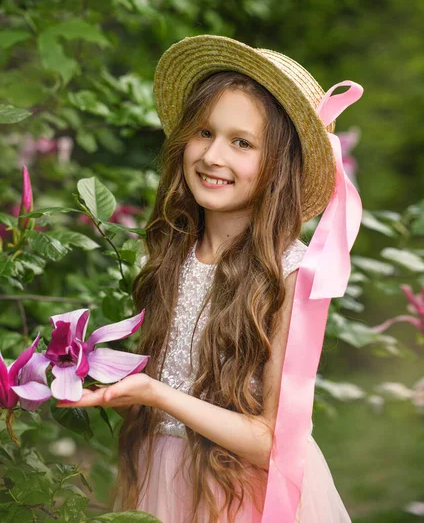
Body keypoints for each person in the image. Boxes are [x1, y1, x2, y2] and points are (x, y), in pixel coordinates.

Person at [58, 35, 357, 522]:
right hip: (156, 476)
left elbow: (275, 444)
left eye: (241, 142)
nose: (213, 156)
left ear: (279, 166)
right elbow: (150, 397)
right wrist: (91, 375)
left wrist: (155, 393)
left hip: (234, 495)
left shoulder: (291, 274)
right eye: (203, 132)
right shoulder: (168, 252)